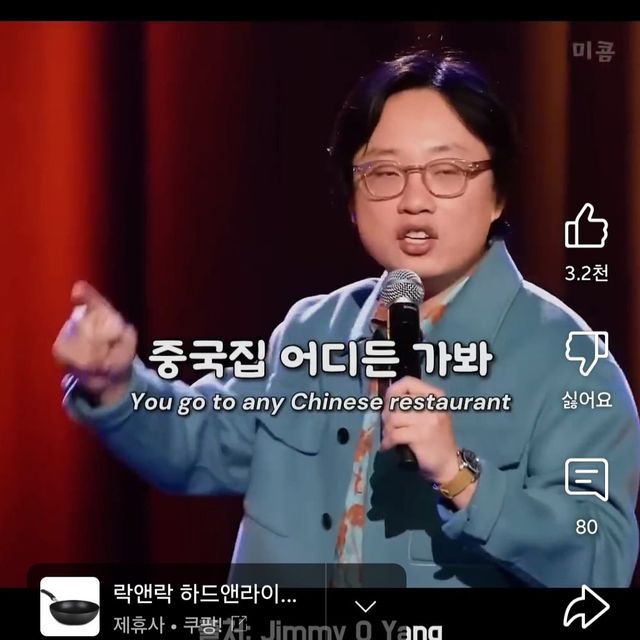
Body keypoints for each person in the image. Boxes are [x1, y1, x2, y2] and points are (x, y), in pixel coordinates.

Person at [53, 49, 640, 588]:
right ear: (352, 198)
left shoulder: (568, 361)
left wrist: (461, 477)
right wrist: (116, 384)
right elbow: (199, 442)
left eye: (447, 172)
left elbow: (603, 562)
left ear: (499, 195)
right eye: (384, 173)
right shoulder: (315, 330)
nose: (414, 201)